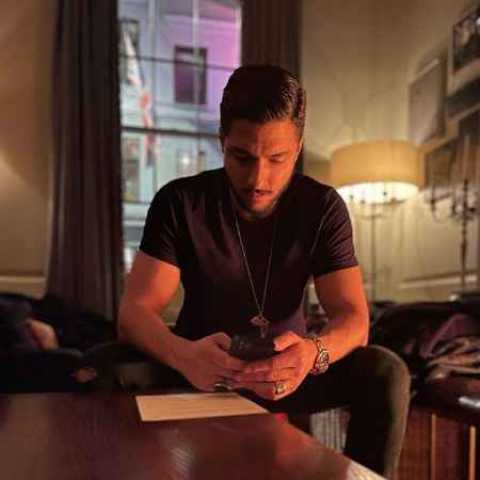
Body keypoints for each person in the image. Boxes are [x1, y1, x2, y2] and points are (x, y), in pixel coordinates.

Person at [118, 65, 410, 479]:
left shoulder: (323, 207)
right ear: (222, 141)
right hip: (197, 367)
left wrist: (312, 353)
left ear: (298, 146)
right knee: (104, 365)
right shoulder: (180, 201)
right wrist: (184, 356)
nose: (259, 179)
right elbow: (134, 313)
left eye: (277, 159)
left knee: (386, 372)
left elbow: (354, 319)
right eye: (242, 157)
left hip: (288, 374)